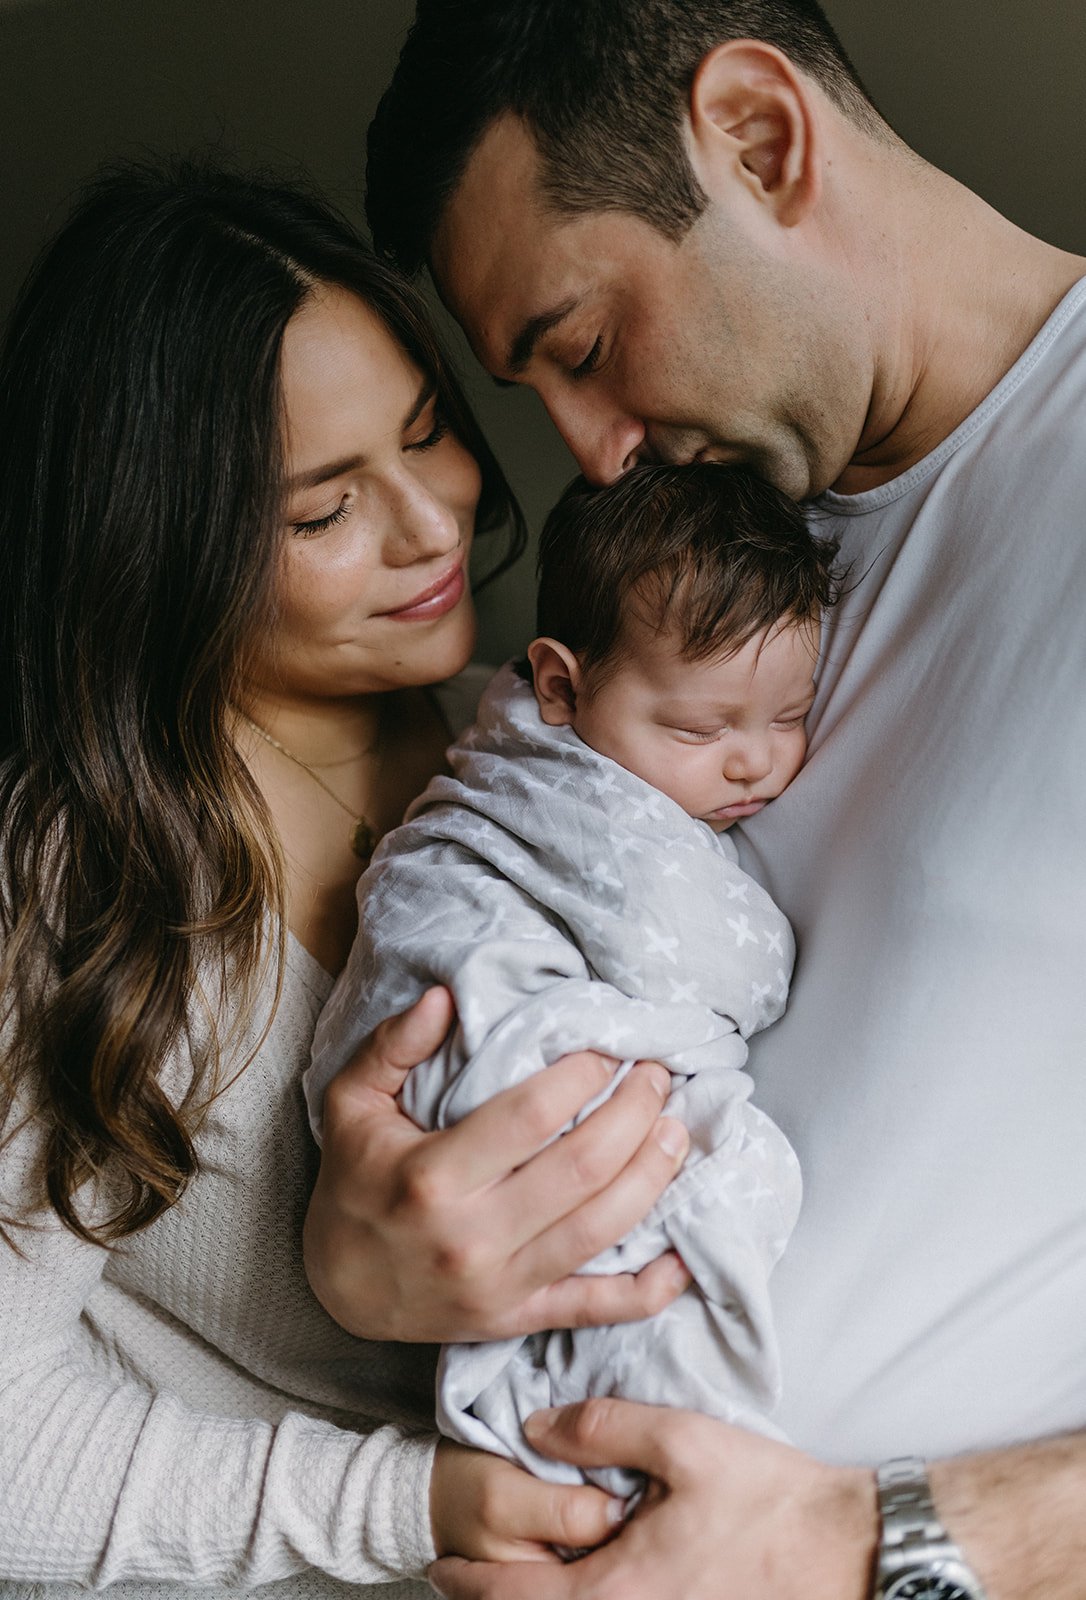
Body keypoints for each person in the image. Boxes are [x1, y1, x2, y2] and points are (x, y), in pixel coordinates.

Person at [302, 2, 1086, 1596]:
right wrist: (367, 1267)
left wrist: (879, 1546)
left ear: (757, 136)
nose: (590, 457)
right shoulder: (678, 583)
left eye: (582, 348)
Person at [0, 159, 696, 1597]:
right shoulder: (86, 883)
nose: (435, 522)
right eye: (323, 513)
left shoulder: (530, 731)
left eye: (428, 430)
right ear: (162, 553)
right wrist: (414, 1504)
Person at [308, 464, 843, 1497]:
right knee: (728, 1179)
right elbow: (731, 965)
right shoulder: (579, 799)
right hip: (488, 1054)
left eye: (790, 715)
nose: (755, 764)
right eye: (699, 728)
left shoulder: (494, 719)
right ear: (559, 685)